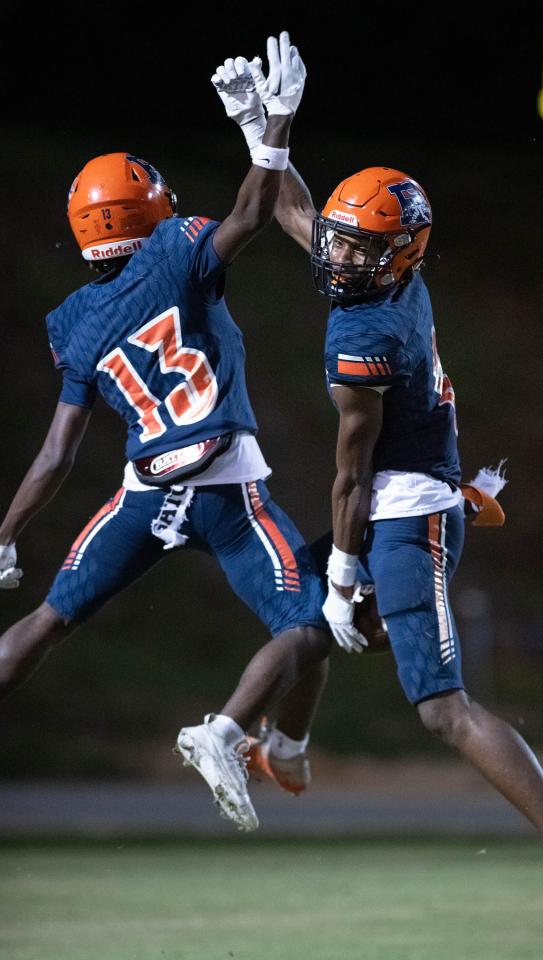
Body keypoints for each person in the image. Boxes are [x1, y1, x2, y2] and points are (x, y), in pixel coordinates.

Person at [212, 34, 543, 946]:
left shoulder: (364, 340)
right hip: (394, 494)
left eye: (357, 251)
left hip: (411, 510)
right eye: (344, 246)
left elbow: (350, 474)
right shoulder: (388, 275)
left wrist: (352, 571)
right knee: (299, 618)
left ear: (395, 257)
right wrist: (260, 124)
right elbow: (293, 209)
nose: (337, 258)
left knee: (437, 703)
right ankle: (286, 747)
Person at [0, 35, 331, 833]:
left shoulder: (71, 323)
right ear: (148, 208)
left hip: (143, 490)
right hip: (223, 485)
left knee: (47, 618)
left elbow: (56, 452)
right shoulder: (178, 250)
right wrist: (270, 129)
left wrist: (8, 532)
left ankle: (279, 747)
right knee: (308, 628)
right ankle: (236, 732)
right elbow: (258, 210)